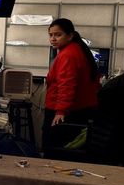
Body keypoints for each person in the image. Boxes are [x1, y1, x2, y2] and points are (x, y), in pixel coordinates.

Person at [43, 18, 102, 151]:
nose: (53, 39)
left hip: (64, 112)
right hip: (80, 110)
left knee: (54, 150)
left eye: (58, 35)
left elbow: (66, 85)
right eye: (50, 35)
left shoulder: (68, 55)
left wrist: (60, 111)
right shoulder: (77, 49)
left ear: (70, 36)